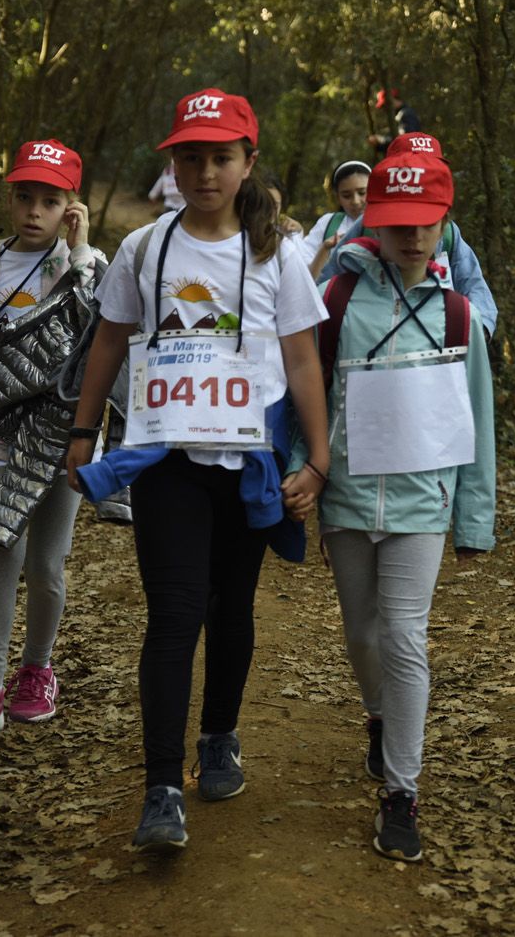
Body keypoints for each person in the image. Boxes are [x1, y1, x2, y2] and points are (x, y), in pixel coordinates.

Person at [62, 87, 330, 852]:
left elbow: (303, 357)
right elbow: (110, 340)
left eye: (220, 156)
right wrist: (85, 429)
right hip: (167, 461)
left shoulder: (277, 252)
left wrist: (318, 456)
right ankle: (161, 788)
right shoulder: (147, 249)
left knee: (233, 606)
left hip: (248, 461)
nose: (204, 170)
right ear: (172, 163)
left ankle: (219, 734)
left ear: (247, 162)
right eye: (190, 156)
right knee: (176, 613)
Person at [285, 150, 495, 863]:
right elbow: (303, 397)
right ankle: (377, 716)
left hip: (422, 504)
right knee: (361, 635)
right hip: (345, 497)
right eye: (398, 223)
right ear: (373, 221)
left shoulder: (460, 312)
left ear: (444, 224)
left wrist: (475, 518)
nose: (411, 237)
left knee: (404, 637)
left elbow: (479, 421)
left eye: (426, 224)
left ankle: (401, 792)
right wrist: (302, 469)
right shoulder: (339, 299)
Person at [0, 139, 105, 740]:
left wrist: (82, 245)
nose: (35, 210)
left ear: (70, 204)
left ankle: (37, 670)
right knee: (0, 550)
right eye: (25, 196)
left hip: (61, 431)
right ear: (10, 198)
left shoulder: (82, 262)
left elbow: (99, 326)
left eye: (50, 199)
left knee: (46, 563)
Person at [318, 133, 498, 339]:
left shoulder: (448, 234)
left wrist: (477, 331)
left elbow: (472, 283)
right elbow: (329, 285)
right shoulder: (366, 225)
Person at [298, 159, 371, 278]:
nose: (356, 201)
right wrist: (324, 249)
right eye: (346, 196)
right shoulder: (328, 223)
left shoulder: (385, 225)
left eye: (362, 193)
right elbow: (304, 270)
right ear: (337, 197)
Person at [367, 88, 421, 155]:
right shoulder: (398, 115)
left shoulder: (406, 114)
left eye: (385, 105)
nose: (385, 108)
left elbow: (406, 141)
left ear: (392, 100)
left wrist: (381, 139)